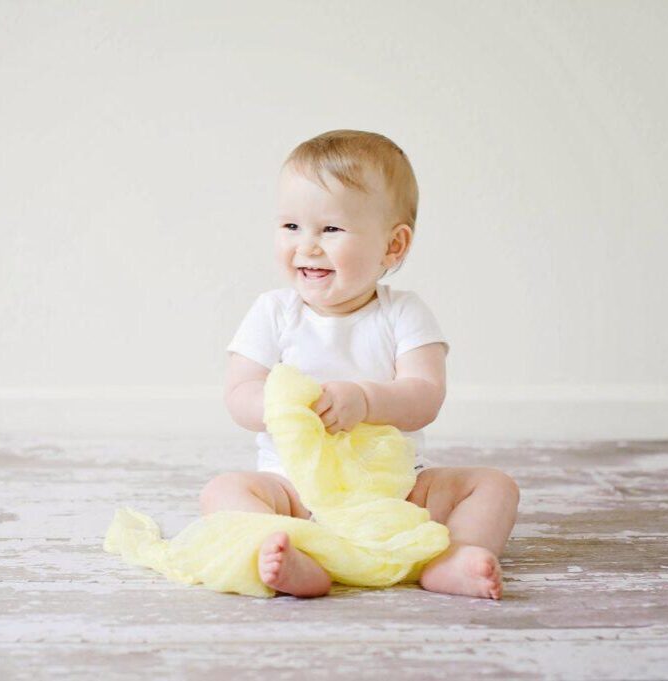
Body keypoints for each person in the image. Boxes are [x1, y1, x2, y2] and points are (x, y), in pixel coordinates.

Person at [202, 129, 520, 599]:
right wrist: (285, 409)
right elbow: (239, 393)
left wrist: (366, 399)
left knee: (495, 487)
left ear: (393, 246)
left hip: (394, 492)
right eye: (291, 226)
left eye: (330, 229)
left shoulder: (402, 313)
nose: (307, 246)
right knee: (222, 492)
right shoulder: (273, 312)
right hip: (294, 490)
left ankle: (454, 556)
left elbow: (425, 395)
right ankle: (297, 555)